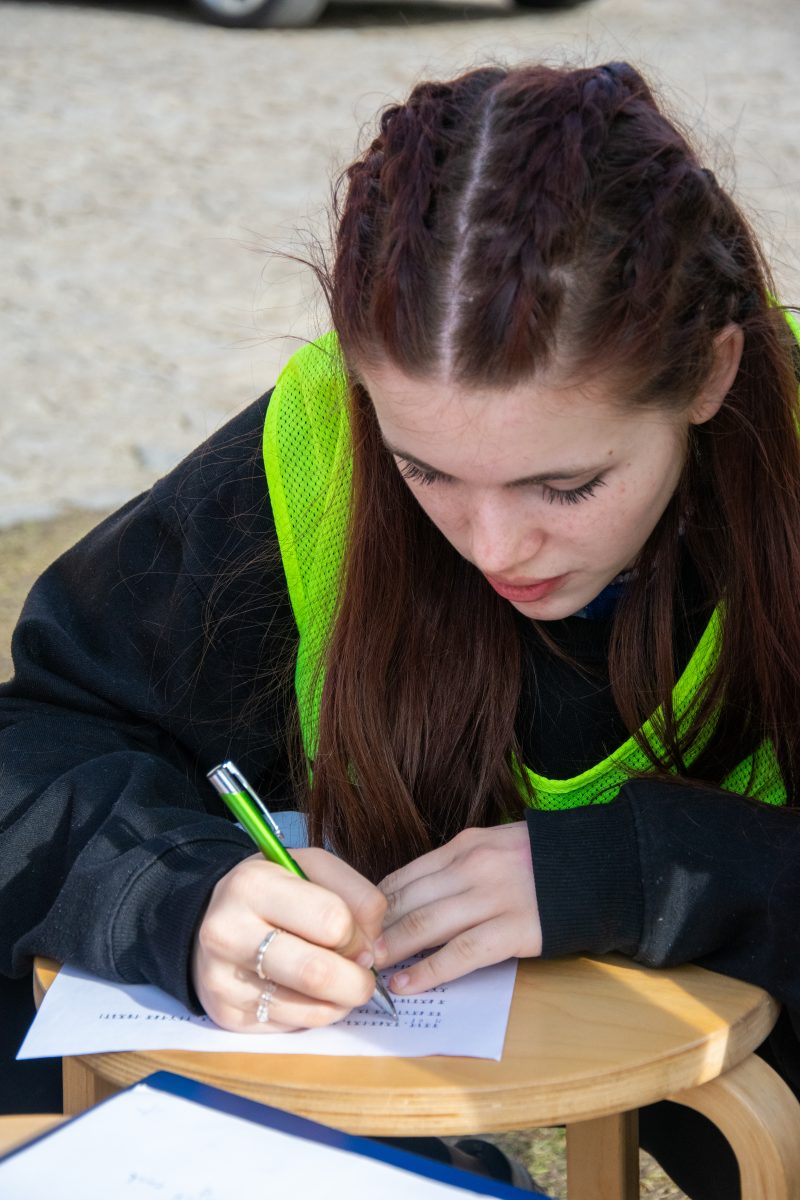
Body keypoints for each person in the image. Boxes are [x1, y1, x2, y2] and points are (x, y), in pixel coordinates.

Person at [2, 59, 799, 1198]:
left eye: (565, 485)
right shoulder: (316, 444)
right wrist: (180, 894)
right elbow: (39, 745)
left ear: (711, 374)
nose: (493, 547)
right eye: (422, 469)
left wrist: (656, 873)